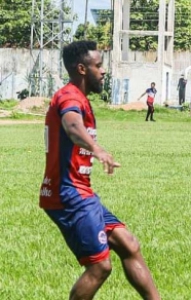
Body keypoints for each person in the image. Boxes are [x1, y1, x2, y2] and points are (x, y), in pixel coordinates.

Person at [39, 41, 160, 300]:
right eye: (98, 66)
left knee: (129, 244)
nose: (103, 71)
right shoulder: (69, 97)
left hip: (81, 192)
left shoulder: (79, 98)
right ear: (82, 69)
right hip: (67, 194)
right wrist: (96, 148)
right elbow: (72, 126)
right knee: (99, 266)